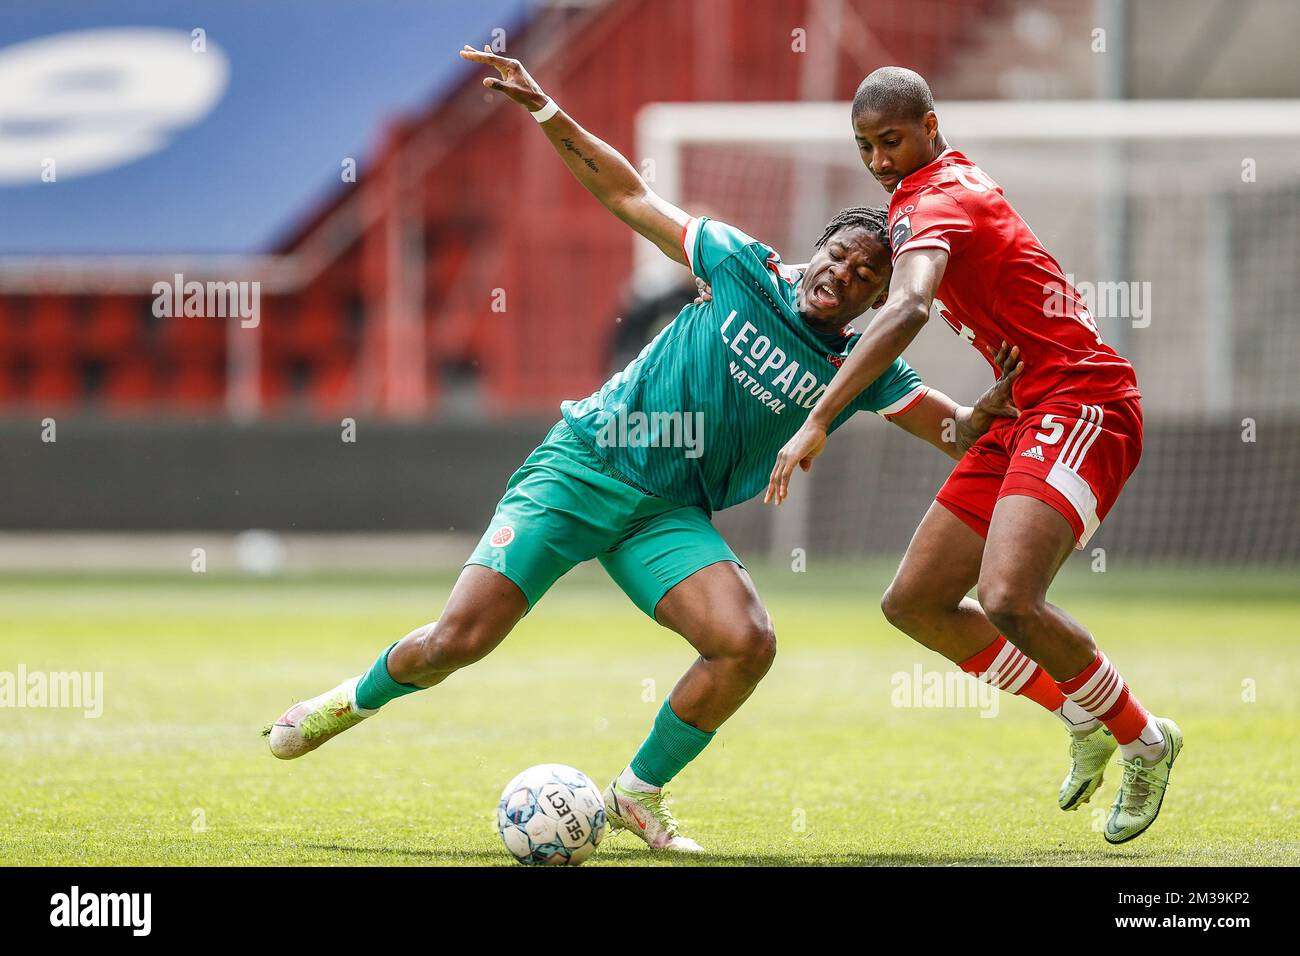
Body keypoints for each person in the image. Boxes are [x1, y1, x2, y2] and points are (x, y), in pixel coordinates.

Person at [262, 48, 1022, 854]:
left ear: (879, 297)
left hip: (665, 514)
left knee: (747, 643)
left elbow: (955, 436)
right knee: (460, 641)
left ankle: (635, 794)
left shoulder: (862, 368)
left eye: (867, 275)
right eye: (838, 256)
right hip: (584, 465)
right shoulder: (740, 266)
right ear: (819, 248)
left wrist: (988, 409)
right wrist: (546, 110)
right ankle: (347, 702)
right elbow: (628, 193)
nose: (844, 274)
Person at [766, 67, 1180, 844]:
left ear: (930, 124)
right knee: (915, 602)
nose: (880, 159)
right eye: (864, 146)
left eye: (891, 140)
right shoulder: (916, 198)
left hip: (1081, 400)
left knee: (1008, 597)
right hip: (1023, 407)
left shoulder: (939, 198)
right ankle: (1079, 714)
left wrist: (819, 416)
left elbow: (911, 304)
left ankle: (1145, 740)